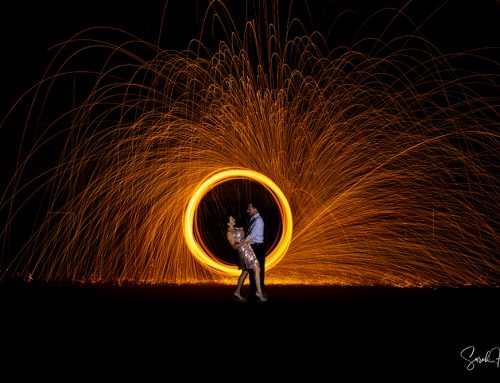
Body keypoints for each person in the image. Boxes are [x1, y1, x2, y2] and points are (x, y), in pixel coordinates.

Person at [226, 215, 267, 303]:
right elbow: (234, 247)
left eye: (233, 218)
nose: (234, 219)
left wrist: (242, 230)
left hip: (248, 249)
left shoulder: (235, 229)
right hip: (244, 252)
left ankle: (237, 292)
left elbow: (242, 234)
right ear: (228, 223)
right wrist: (244, 241)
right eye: (232, 219)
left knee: (245, 272)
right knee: (257, 268)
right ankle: (259, 292)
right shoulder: (229, 233)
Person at [246, 201, 266, 299]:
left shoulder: (258, 221)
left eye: (249, 209)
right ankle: (254, 293)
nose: (247, 210)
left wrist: (239, 243)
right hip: (254, 247)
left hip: (257, 248)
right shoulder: (253, 219)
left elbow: (251, 236)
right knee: (252, 271)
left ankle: (257, 293)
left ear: (255, 209)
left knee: (257, 271)